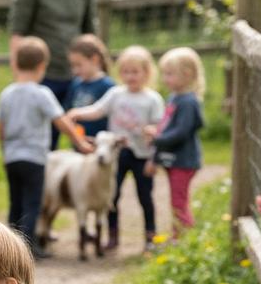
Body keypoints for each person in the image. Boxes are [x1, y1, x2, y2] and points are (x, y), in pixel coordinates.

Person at [0, 36, 92, 258]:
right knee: (33, 202)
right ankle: (29, 248)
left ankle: (9, 248)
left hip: (12, 157)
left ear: (16, 63)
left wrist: (4, 151)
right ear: (42, 66)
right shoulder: (42, 94)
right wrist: (81, 143)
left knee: (15, 202)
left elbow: (0, 127)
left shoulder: (7, 93)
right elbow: (61, 122)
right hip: (35, 157)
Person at [7, 0, 99, 150]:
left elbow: (91, 34)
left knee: (83, 138)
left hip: (77, 78)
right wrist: (20, 77)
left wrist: (99, 70)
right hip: (43, 76)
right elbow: (17, 34)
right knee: (45, 141)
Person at [67, 45, 165, 252]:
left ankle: (150, 235)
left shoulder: (153, 99)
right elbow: (98, 110)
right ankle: (112, 235)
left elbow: (160, 128)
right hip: (116, 156)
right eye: (126, 72)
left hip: (142, 154)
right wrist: (78, 113)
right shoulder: (116, 94)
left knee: (145, 195)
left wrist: (153, 132)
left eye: (135, 72)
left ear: (146, 73)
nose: (131, 76)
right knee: (111, 195)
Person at [143, 47, 206, 239]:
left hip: (184, 161)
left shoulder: (188, 102)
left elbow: (181, 133)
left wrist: (157, 138)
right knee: (176, 201)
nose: (165, 79)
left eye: (169, 74)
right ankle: (180, 236)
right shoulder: (174, 98)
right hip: (174, 159)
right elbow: (167, 126)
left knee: (179, 202)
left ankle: (183, 240)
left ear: (187, 75)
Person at [66, 33, 115, 139]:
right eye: (73, 65)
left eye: (79, 65)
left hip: (100, 143)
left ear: (94, 59)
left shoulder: (107, 86)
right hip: (79, 140)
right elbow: (69, 108)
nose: (75, 70)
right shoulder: (76, 84)